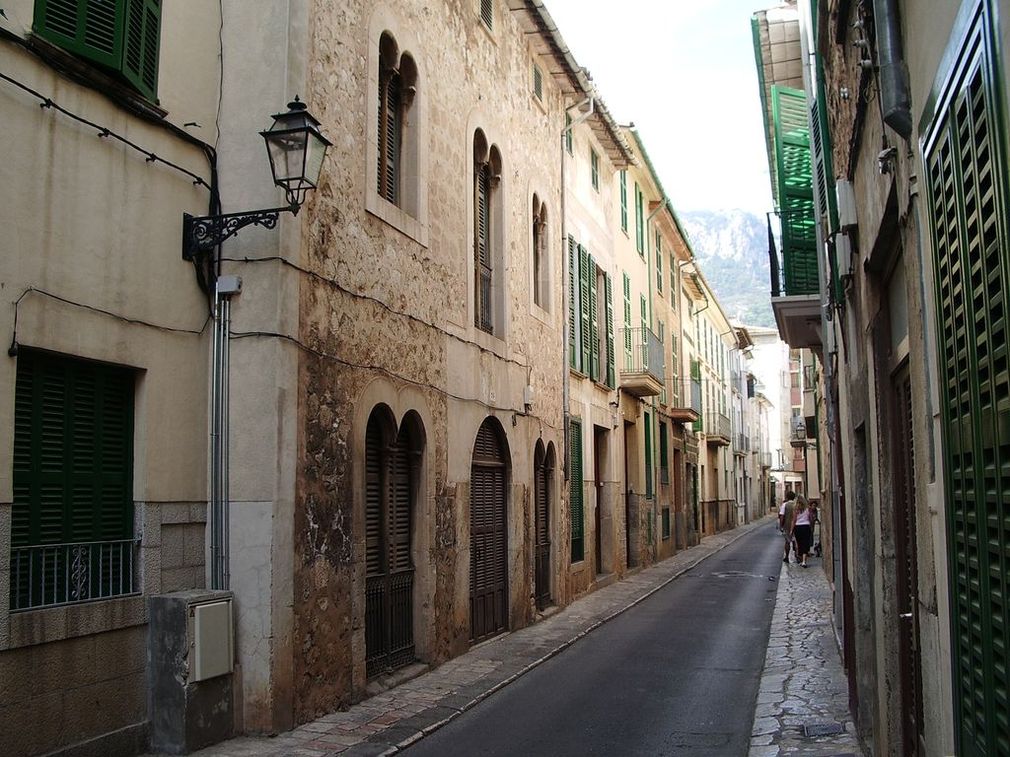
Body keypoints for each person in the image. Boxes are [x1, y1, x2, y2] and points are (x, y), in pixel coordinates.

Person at [790, 494, 814, 568]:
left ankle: (801, 560)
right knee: (805, 543)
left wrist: (791, 530)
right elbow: (811, 518)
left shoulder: (795, 509)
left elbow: (794, 520)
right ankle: (804, 561)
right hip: (806, 526)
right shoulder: (808, 508)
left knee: (799, 544)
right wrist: (811, 526)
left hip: (798, 527)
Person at [779, 491, 797, 563]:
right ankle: (797, 556)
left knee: (787, 542)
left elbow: (782, 516)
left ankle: (787, 557)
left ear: (787, 497)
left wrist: (781, 525)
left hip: (787, 525)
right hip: (796, 525)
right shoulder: (796, 504)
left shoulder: (784, 505)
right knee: (795, 541)